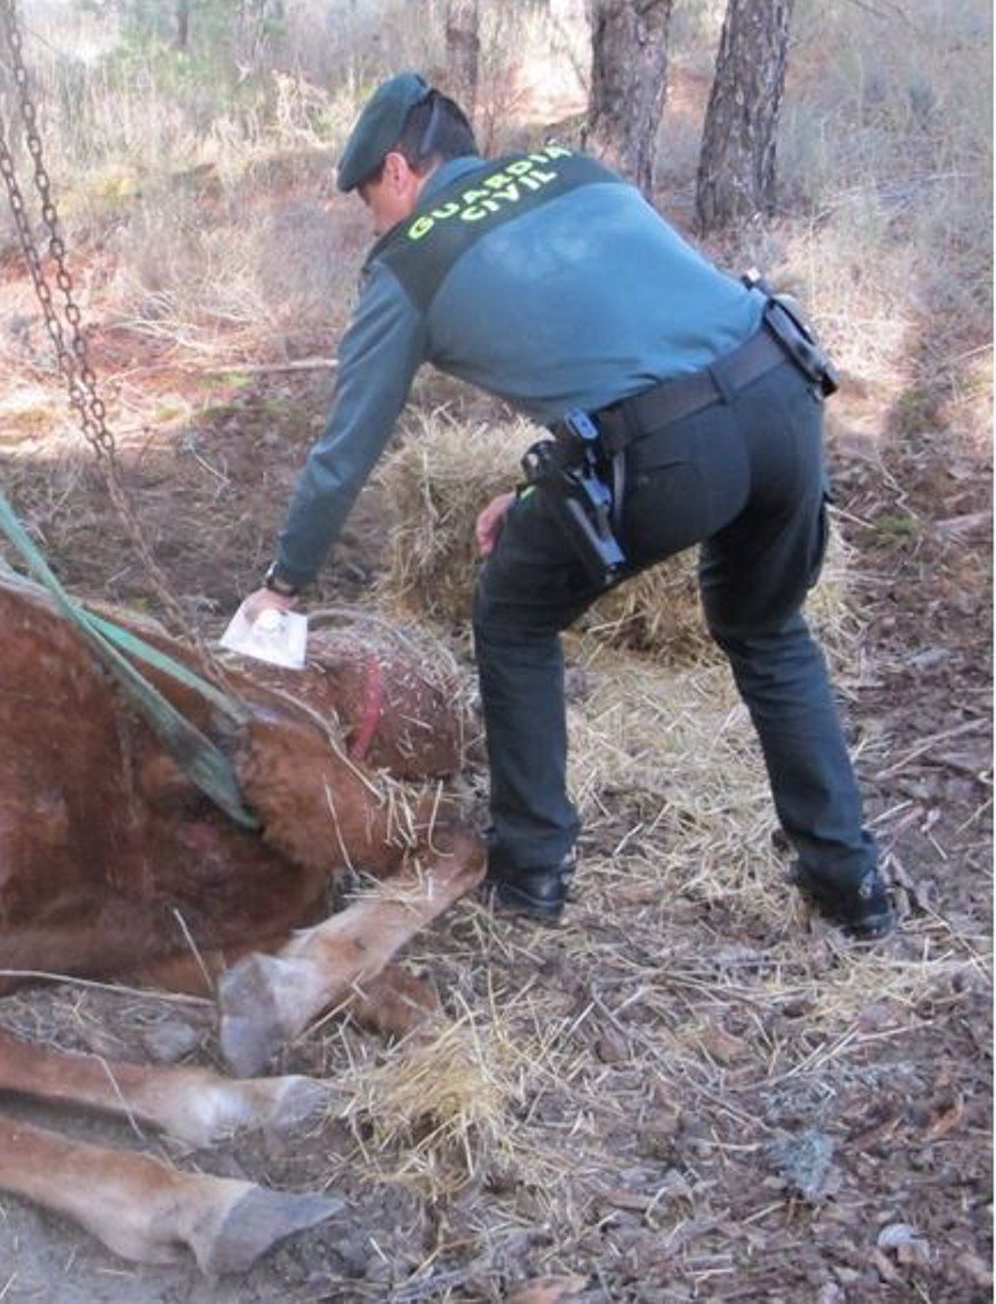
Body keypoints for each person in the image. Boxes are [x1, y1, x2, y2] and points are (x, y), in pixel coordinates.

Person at [236, 71, 892, 939]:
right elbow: (641, 341)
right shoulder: (574, 170)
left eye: (368, 203)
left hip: (670, 450)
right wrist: (544, 489)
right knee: (769, 633)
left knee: (510, 612)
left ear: (398, 170)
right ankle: (852, 885)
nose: (375, 223)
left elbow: (345, 449)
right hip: (785, 390)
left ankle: (533, 868)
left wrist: (284, 586)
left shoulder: (412, 259)